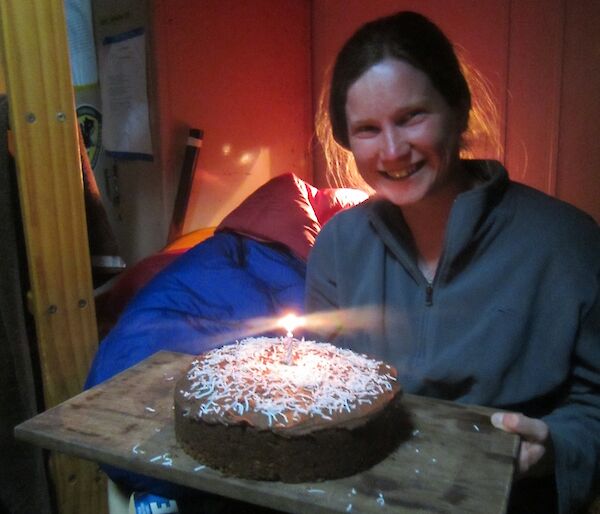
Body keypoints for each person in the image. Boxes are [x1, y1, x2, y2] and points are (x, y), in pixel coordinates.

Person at [305, 11, 600, 514]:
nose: (393, 150)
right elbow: (321, 382)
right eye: (368, 129)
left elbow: (593, 406)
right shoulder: (337, 245)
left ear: (459, 109)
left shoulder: (568, 243)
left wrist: (556, 448)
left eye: (412, 116)